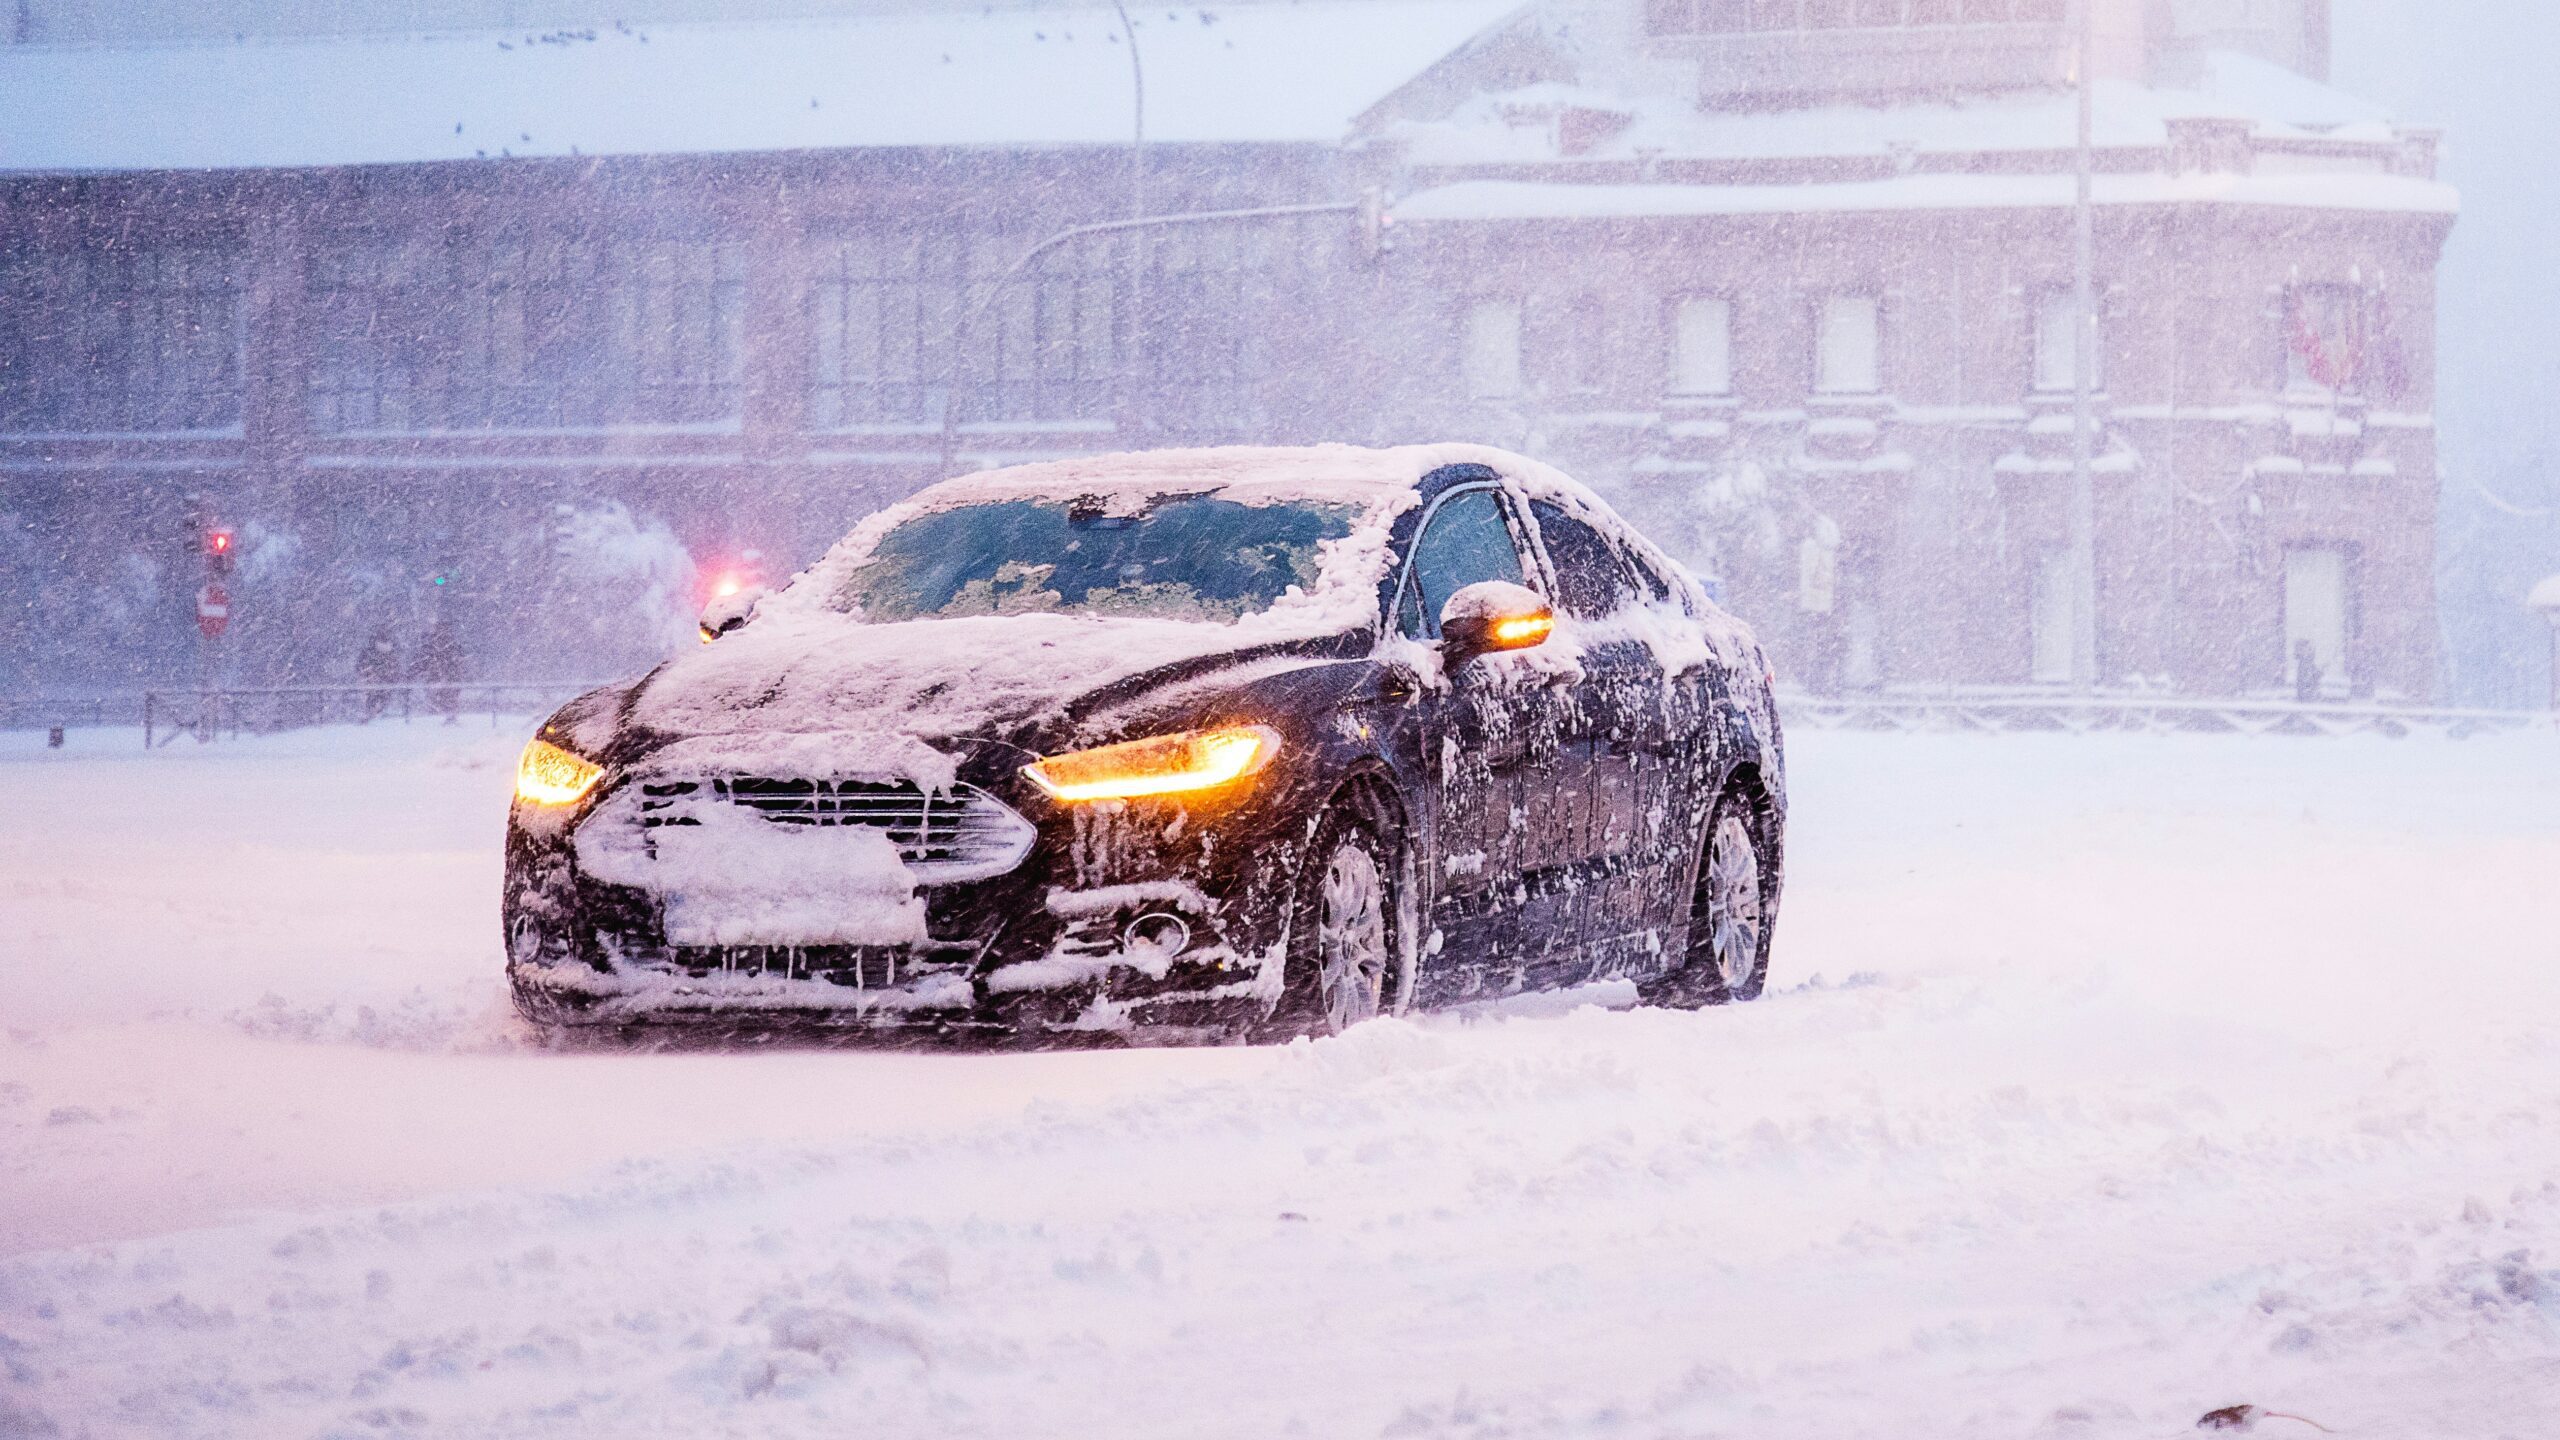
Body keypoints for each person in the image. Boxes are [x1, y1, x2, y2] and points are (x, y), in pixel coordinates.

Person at [415, 620, 464, 724]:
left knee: (446, 697)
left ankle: (447, 716)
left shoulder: (442, 644)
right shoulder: (444, 644)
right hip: (442, 675)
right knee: (444, 697)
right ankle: (447, 715)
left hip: (444, 675)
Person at [355, 625, 402, 722]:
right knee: (383, 701)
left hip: (372, 684)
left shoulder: (368, 652)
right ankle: (377, 715)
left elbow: (360, 667)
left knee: (372, 701)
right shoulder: (391, 653)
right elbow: (396, 668)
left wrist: (368, 675)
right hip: (387, 684)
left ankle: (371, 716)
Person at [2292, 638, 2324, 704]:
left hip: (2306, 693)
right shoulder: (2305, 662)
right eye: (2309, 649)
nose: (2311, 651)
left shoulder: (2305, 662)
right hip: (2307, 694)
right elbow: (2308, 677)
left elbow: (2311, 675)